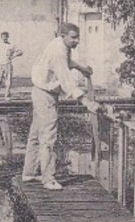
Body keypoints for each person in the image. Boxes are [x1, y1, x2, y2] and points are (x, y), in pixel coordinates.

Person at [23, 22, 92, 191]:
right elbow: (66, 80)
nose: (77, 41)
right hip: (45, 95)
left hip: (40, 91)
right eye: (73, 38)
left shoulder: (60, 45)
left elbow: (68, 62)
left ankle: (29, 173)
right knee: (48, 137)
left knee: (35, 134)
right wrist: (86, 101)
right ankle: (48, 179)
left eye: (78, 38)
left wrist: (81, 68)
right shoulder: (58, 52)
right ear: (63, 36)